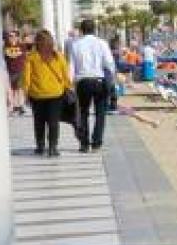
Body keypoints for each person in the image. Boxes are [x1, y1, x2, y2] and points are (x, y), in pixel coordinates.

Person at [68, 19, 115, 153]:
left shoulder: (75, 44)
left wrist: (70, 83)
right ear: (94, 29)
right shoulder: (102, 43)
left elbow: (71, 66)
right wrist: (112, 80)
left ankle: (84, 143)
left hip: (83, 81)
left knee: (83, 113)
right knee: (100, 113)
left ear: (81, 30)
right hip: (99, 80)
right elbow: (109, 63)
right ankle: (96, 143)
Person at [23, 30, 73, 157]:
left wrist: (26, 92)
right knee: (53, 121)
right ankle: (52, 147)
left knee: (38, 121)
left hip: (37, 95)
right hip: (56, 94)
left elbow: (26, 78)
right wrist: (69, 87)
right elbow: (65, 75)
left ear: (37, 43)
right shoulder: (58, 56)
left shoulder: (31, 57)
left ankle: (40, 146)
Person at [3, 30, 28, 116]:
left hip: (20, 70)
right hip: (10, 71)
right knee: (12, 90)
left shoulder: (21, 46)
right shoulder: (5, 46)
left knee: (19, 89)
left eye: (13, 36)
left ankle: (20, 105)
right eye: (10, 36)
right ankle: (13, 106)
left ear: (17, 37)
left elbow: (25, 57)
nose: (12, 38)